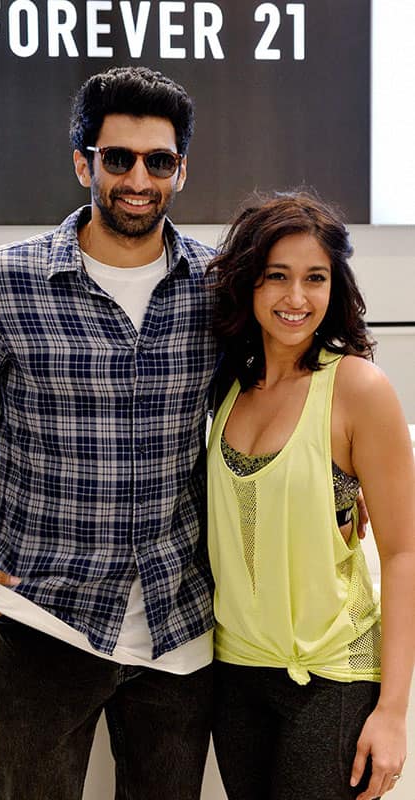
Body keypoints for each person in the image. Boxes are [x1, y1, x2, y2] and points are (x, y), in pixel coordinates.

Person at [0, 66, 218, 800]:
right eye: (118, 159)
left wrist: (346, 479)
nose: (138, 178)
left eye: (159, 160)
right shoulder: (5, 281)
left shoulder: (218, 284)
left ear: (181, 168)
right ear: (84, 163)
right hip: (45, 627)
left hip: (183, 631)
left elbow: (287, 393)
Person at [206, 191, 415, 800]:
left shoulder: (357, 389)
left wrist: (394, 713)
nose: (296, 299)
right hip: (236, 674)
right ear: (249, 283)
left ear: (334, 287)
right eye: (277, 277)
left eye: (314, 279)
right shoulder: (226, 386)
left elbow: (403, 553)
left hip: (332, 678)